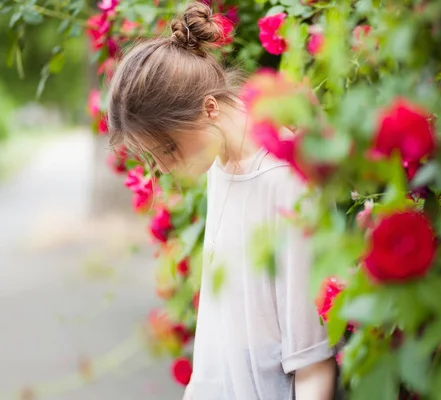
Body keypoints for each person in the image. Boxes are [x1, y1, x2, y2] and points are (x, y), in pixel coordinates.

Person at [106, 3, 337, 399]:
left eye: (168, 148)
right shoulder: (222, 165)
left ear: (209, 108)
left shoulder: (286, 181)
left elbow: (312, 362)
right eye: (153, 157)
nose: (163, 168)